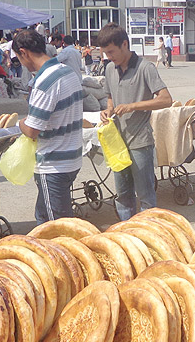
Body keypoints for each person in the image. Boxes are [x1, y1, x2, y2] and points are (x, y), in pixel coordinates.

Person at [98, 23, 173, 220]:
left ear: (125, 44)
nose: (109, 57)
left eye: (111, 52)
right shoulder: (109, 69)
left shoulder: (145, 68)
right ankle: (128, 233)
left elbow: (166, 99)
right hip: (117, 142)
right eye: (105, 53)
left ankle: (149, 234)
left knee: (146, 195)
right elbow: (110, 98)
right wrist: (108, 110)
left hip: (140, 141)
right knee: (123, 195)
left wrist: (133, 106)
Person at [12, 29, 84, 224]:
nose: (21, 63)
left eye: (19, 58)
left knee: (58, 228)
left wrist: (19, 123)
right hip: (72, 157)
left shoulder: (44, 83)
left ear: (23, 52)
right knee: (43, 217)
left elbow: (33, 130)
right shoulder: (67, 72)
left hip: (54, 163)